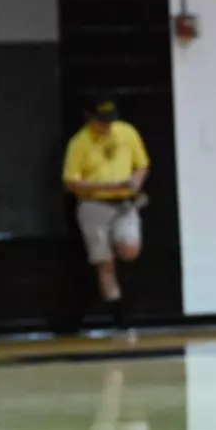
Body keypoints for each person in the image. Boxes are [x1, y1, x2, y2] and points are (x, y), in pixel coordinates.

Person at [62, 99, 150, 328]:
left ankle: (124, 290)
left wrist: (135, 182)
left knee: (129, 248)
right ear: (88, 118)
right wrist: (107, 187)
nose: (107, 127)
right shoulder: (79, 143)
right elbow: (72, 182)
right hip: (94, 205)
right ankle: (119, 313)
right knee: (104, 262)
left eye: (110, 121)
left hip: (124, 203)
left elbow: (142, 164)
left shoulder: (127, 132)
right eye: (102, 122)